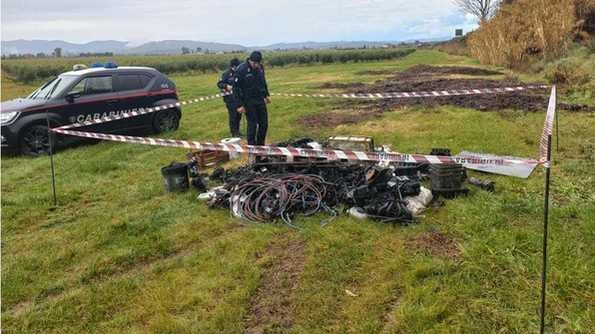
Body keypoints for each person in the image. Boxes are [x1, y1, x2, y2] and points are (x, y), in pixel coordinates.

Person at [233, 51, 271, 146]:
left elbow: (263, 82)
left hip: (260, 99)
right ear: (250, 60)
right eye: (254, 63)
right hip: (248, 101)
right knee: (252, 125)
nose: (256, 65)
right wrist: (239, 105)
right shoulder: (241, 69)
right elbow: (236, 88)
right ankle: (252, 147)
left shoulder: (260, 68)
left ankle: (261, 145)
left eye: (258, 63)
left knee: (264, 124)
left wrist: (266, 95)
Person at [217, 58, 242, 137]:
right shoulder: (226, 74)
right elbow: (220, 84)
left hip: (238, 98)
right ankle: (233, 132)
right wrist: (226, 86)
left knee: (239, 115)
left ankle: (237, 131)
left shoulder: (239, 73)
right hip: (230, 99)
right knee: (233, 116)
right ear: (233, 66)